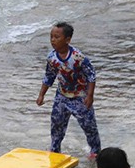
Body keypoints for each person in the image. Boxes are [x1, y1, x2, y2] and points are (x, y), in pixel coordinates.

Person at [36, 22, 101, 157]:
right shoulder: (52, 58)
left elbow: (91, 75)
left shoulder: (77, 57)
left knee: (89, 126)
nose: (53, 40)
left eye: (57, 37)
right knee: (56, 125)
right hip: (62, 96)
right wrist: (41, 95)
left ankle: (95, 152)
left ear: (67, 40)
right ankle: (55, 151)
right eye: (51, 37)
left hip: (80, 97)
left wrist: (90, 96)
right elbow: (49, 76)